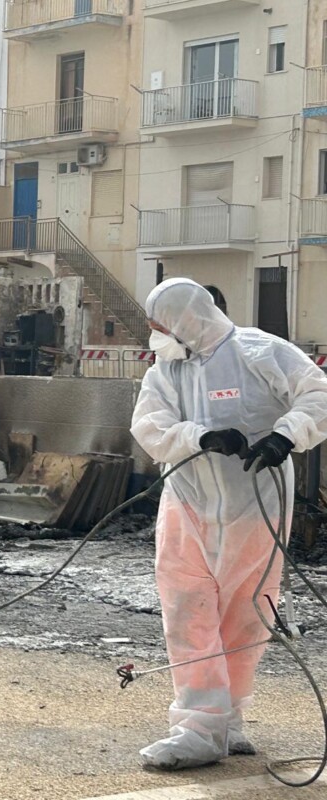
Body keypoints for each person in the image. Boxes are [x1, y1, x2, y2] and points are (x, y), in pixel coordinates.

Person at [130, 278, 327, 770]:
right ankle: (198, 727)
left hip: (255, 506)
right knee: (187, 610)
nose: (156, 335)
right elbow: (149, 426)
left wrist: (285, 436)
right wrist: (202, 436)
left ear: (186, 318)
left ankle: (229, 717)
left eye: (160, 325)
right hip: (188, 506)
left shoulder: (261, 352)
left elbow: (318, 394)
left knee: (245, 613)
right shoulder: (166, 370)